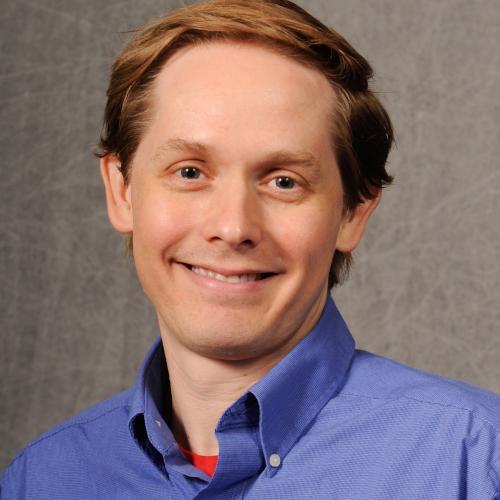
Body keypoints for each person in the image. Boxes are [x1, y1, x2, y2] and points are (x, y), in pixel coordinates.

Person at [1, 0, 499, 498]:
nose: (233, 226)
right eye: (190, 172)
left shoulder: (475, 461)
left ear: (352, 213)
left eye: (284, 181)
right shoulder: (39, 480)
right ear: (121, 191)